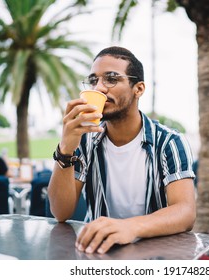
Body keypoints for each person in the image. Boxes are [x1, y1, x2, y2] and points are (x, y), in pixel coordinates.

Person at [48, 46, 196, 254]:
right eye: (93, 80)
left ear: (139, 89)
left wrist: (130, 227)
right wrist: (65, 149)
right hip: (96, 252)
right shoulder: (84, 141)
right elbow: (60, 212)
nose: (99, 87)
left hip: (155, 253)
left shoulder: (169, 142)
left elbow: (185, 212)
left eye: (111, 79)